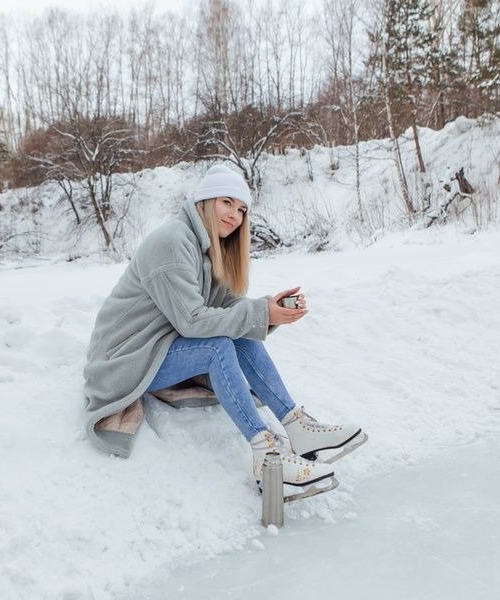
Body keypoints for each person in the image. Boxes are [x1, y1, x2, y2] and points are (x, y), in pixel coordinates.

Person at [83, 164, 366, 489]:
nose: (235, 215)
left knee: (240, 332)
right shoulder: (172, 241)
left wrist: (267, 309)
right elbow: (192, 320)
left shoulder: (210, 249)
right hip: (127, 358)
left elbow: (230, 311)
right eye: (227, 202)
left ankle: (297, 426)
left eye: (242, 209)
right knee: (217, 347)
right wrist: (261, 313)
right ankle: (267, 455)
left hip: (160, 346)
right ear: (205, 201)